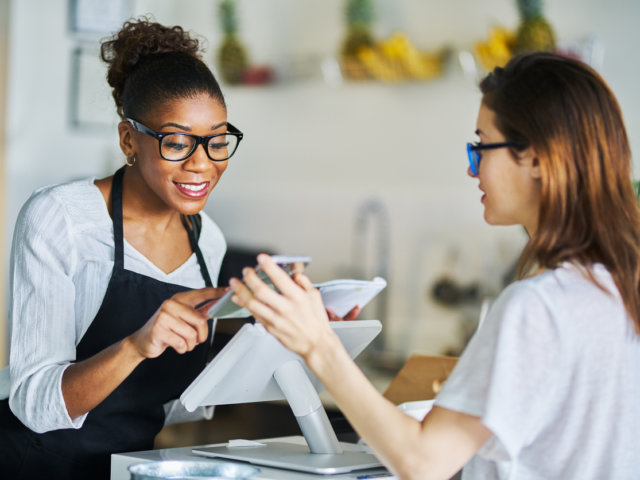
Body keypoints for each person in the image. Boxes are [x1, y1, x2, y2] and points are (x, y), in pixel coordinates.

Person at [230, 52, 640, 479]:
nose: (471, 166)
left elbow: (424, 462)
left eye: (483, 146)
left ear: (536, 158)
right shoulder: (619, 286)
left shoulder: (537, 307)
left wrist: (319, 346)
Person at [0, 19, 242, 479]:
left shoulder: (208, 238)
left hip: (128, 468)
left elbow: (173, 403)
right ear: (128, 139)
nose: (201, 164)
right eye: (175, 142)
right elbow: (33, 403)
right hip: (30, 463)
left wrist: (286, 341)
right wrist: (135, 344)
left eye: (216, 142)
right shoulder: (61, 217)